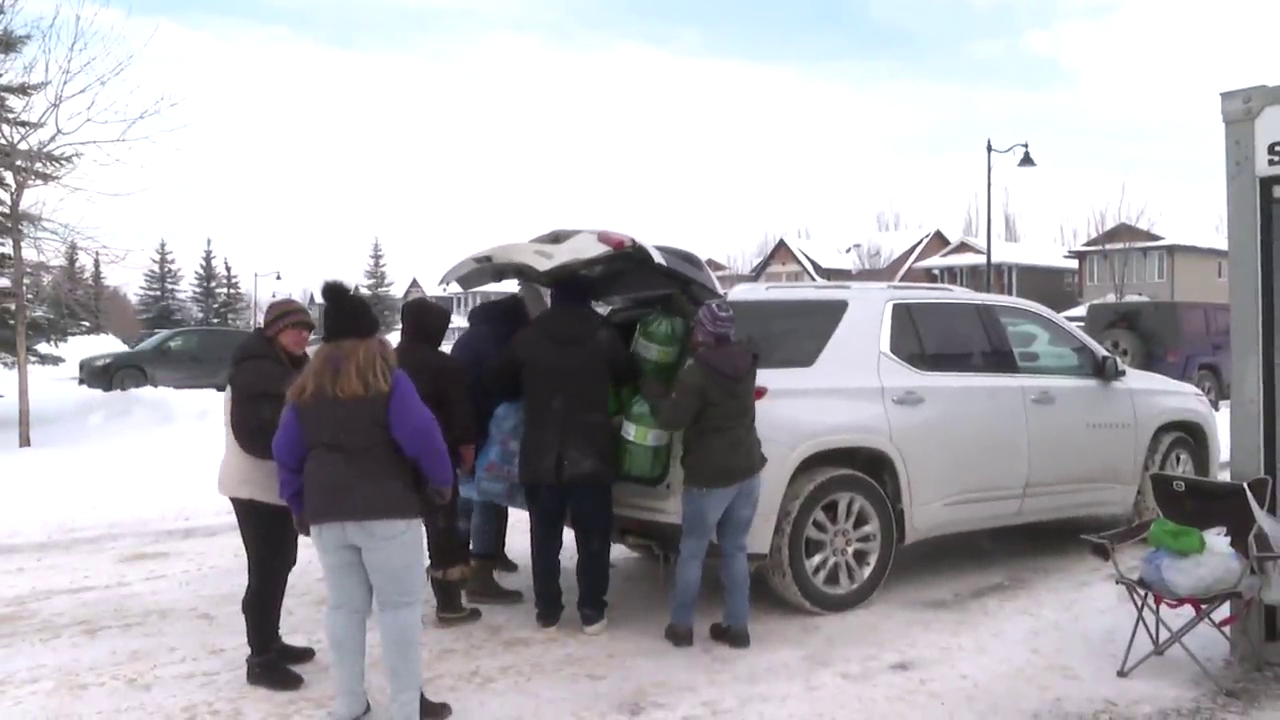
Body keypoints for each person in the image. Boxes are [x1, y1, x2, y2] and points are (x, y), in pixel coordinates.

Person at [272, 281, 455, 720]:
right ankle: (407, 709)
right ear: (371, 336)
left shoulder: (305, 390)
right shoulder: (389, 382)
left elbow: (285, 451)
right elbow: (423, 435)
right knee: (400, 610)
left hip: (328, 514)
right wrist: (440, 482)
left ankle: (350, 703)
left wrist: (299, 504)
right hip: (389, 511)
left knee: (344, 608)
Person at [494, 276, 636, 633]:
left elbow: (502, 382)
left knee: (544, 536)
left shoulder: (527, 337)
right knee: (593, 538)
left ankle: (548, 610)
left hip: (541, 452)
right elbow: (627, 375)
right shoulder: (605, 335)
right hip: (591, 450)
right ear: (588, 298)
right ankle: (591, 611)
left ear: (553, 297)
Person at [641, 299, 766, 650]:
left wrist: (654, 395)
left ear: (705, 333)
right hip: (747, 469)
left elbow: (672, 420)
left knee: (693, 550)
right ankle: (737, 628)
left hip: (709, 477)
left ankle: (681, 628)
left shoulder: (695, 373)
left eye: (697, 327)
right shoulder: (747, 363)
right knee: (735, 549)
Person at [217, 297, 316, 691]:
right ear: (275, 330)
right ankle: (259, 660)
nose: (304, 335)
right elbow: (256, 436)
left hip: (276, 485)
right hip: (255, 486)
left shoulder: (288, 367)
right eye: (296, 328)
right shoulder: (256, 373)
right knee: (266, 571)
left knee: (281, 564)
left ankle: (271, 641)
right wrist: (305, 452)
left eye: (308, 329)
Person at [396, 296, 482, 627]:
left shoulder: (386, 363)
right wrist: (467, 453)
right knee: (442, 528)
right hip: (436, 459)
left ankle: (395, 601)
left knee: (393, 531)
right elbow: (461, 417)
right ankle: (449, 604)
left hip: (391, 461)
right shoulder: (445, 366)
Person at [450, 294, 529, 605]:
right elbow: (502, 383)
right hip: (483, 429)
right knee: (486, 498)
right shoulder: (496, 340)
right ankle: (481, 574)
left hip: (466, 427)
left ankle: (467, 561)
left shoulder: (474, 336)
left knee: (469, 498)